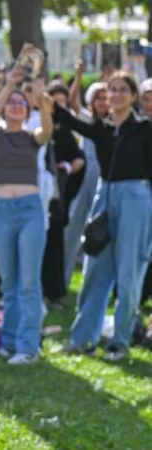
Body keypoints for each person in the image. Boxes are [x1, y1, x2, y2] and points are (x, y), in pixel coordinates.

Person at [53, 73, 152, 361]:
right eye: (113, 90)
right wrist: (43, 97)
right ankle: (82, 339)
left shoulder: (146, 128)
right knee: (95, 269)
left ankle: (119, 342)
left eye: (124, 90)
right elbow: (70, 120)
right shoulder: (102, 129)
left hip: (137, 197)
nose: (117, 95)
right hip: (105, 196)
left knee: (129, 272)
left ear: (133, 97)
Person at [0, 69, 53, 364]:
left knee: (29, 283)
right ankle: (9, 343)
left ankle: (28, 347)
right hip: (1, 210)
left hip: (29, 209)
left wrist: (39, 99)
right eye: (10, 103)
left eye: (20, 103)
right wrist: (9, 86)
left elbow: (47, 128)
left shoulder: (32, 137)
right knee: (8, 282)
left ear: (26, 110)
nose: (15, 106)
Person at [41, 81, 84, 308]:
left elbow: (79, 160)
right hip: (34, 194)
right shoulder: (35, 123)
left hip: (56, 198)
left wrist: (66, 167)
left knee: (55, 244)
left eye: (61, 102)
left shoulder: (64, 131)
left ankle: (54, 292)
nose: (57, 106)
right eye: (53, 101)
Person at [64, 64, 107, 287]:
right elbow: (73, 102)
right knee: (72, 229)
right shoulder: (87, 119)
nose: (102, 101)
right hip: (84, 181)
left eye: (105, 97)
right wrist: (79, 76)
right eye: (98, 97)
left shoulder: (115, 124)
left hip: (105, 181)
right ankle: (63, 279)